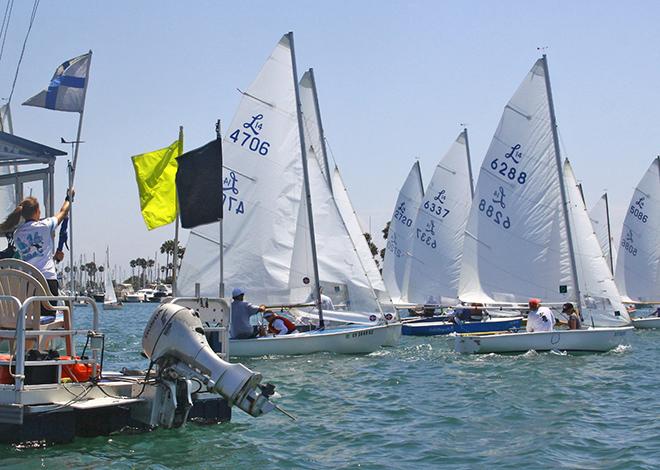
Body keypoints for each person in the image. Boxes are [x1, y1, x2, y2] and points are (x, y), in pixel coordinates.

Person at [0, 190, 73, 296]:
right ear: (37, 211)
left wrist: (53, 258)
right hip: (47, 280)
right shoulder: (45, 225)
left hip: (29, 282)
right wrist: (68, 198)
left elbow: (32, 254)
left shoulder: (17, 234)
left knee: (33, 312)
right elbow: (63, 212)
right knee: (54, 310)